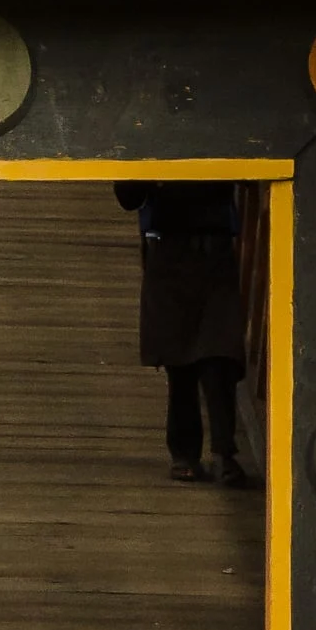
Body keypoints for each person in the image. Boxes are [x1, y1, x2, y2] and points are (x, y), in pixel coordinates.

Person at [113, 177, 251, 484]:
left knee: (220, 356)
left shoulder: (220, 130)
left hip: (214, 251)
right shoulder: (149, 136)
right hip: (168, 248)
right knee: (179, 362)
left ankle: (223, 453)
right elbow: (127, 195)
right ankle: (186, 454)